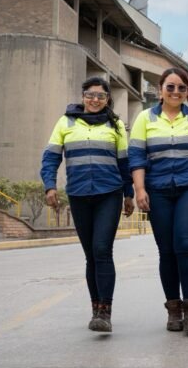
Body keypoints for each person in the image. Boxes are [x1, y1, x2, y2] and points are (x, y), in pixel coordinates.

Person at [40, 76, 134, 333]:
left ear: (107, 100)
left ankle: (105, 310)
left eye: (100, 96)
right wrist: (50, 185)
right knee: (91, 255)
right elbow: (50, 157)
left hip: (109, 194)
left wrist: (128, 194)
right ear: (82, 97)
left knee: (102, 249)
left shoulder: (115, 125)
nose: (95, 100)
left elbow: (124, 164)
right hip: (79, 194)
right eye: (90, 95)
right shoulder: (66, 122)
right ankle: (95, 308)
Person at [129, 67, 188, 335]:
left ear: (187, 92)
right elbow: (137, 156)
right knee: (166, 250)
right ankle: (173, 310)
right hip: (157, 190)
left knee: (186, 245)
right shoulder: (145, 118)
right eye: (170, 87)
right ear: (160, 90)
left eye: (181, 88)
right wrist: (140, 189)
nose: (176, 92)